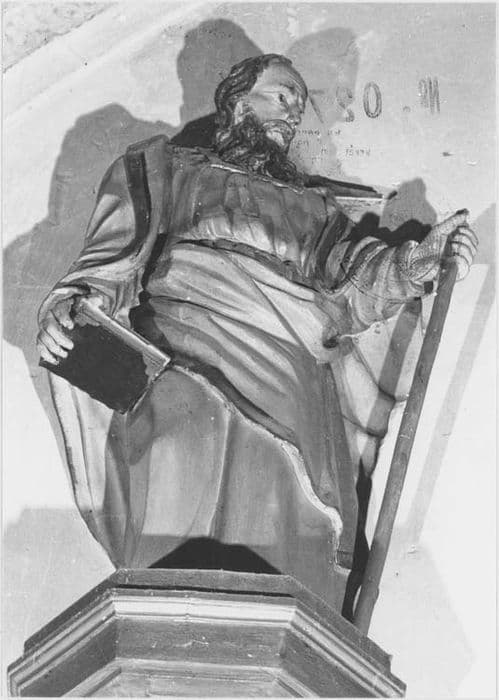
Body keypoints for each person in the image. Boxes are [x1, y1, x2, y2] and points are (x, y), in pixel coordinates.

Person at [36, 54, 477, 613]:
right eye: (282, 96)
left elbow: (355, 288)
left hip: (287, 369)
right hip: (184, 348)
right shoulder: (168, 168)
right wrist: (74, 306)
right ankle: (166, 615)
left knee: (278, 500)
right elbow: (113, 256)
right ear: (239, 102)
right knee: (178, 457)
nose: (292, 114)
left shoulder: (315, 209)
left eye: (299, 106)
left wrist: (416, 263)